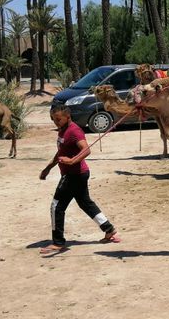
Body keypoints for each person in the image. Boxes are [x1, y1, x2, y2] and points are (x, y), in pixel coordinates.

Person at [39, 105, 120, 254]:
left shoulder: (74, 131)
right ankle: (109, 230)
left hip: (73, 174)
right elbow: (60, 152)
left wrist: (72, 161)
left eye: (58, 119)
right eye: (53, 119)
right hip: (78, 174)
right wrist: (48, 168)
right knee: (85, 203)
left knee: (56, 206)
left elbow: (86, 149)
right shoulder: (63, 130)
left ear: (67, 117)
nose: (55, 122)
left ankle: (58, 243)